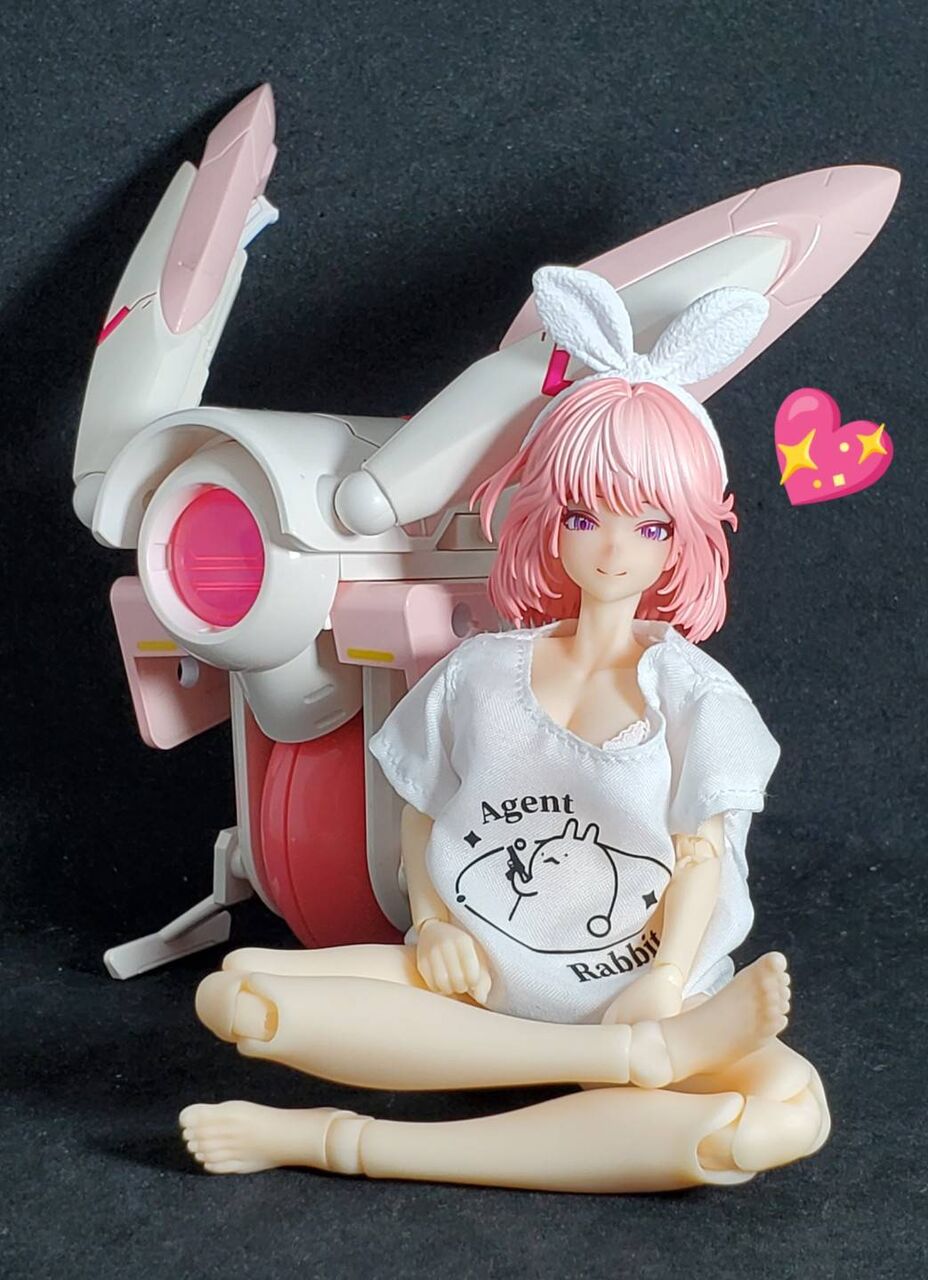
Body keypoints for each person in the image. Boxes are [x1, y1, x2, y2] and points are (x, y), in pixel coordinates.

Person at [179, 266, 830, 1191]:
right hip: (478, 979)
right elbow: (420, 811)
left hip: (647, 993)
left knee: (787, 1112)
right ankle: (626, 1067)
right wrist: (432, 924)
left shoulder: (697, 697)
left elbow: (702, 854)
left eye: (649, 525)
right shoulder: (479, 674)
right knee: (236, 990)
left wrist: (663, 981)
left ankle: (327, 1140)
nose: (614, 548)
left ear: (685, 535)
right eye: (584, 516)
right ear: (547, 519)